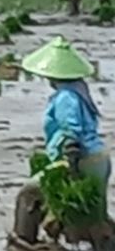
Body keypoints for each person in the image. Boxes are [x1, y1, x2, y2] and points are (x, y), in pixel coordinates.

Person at [25, 36, 110, 205]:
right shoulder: (80, 90)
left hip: (83, 159)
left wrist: (72, 168)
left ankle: (25, 228)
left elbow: (71, 133)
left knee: (29, 193)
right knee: (94, 208)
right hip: (99, 159)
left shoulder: (65, 97)